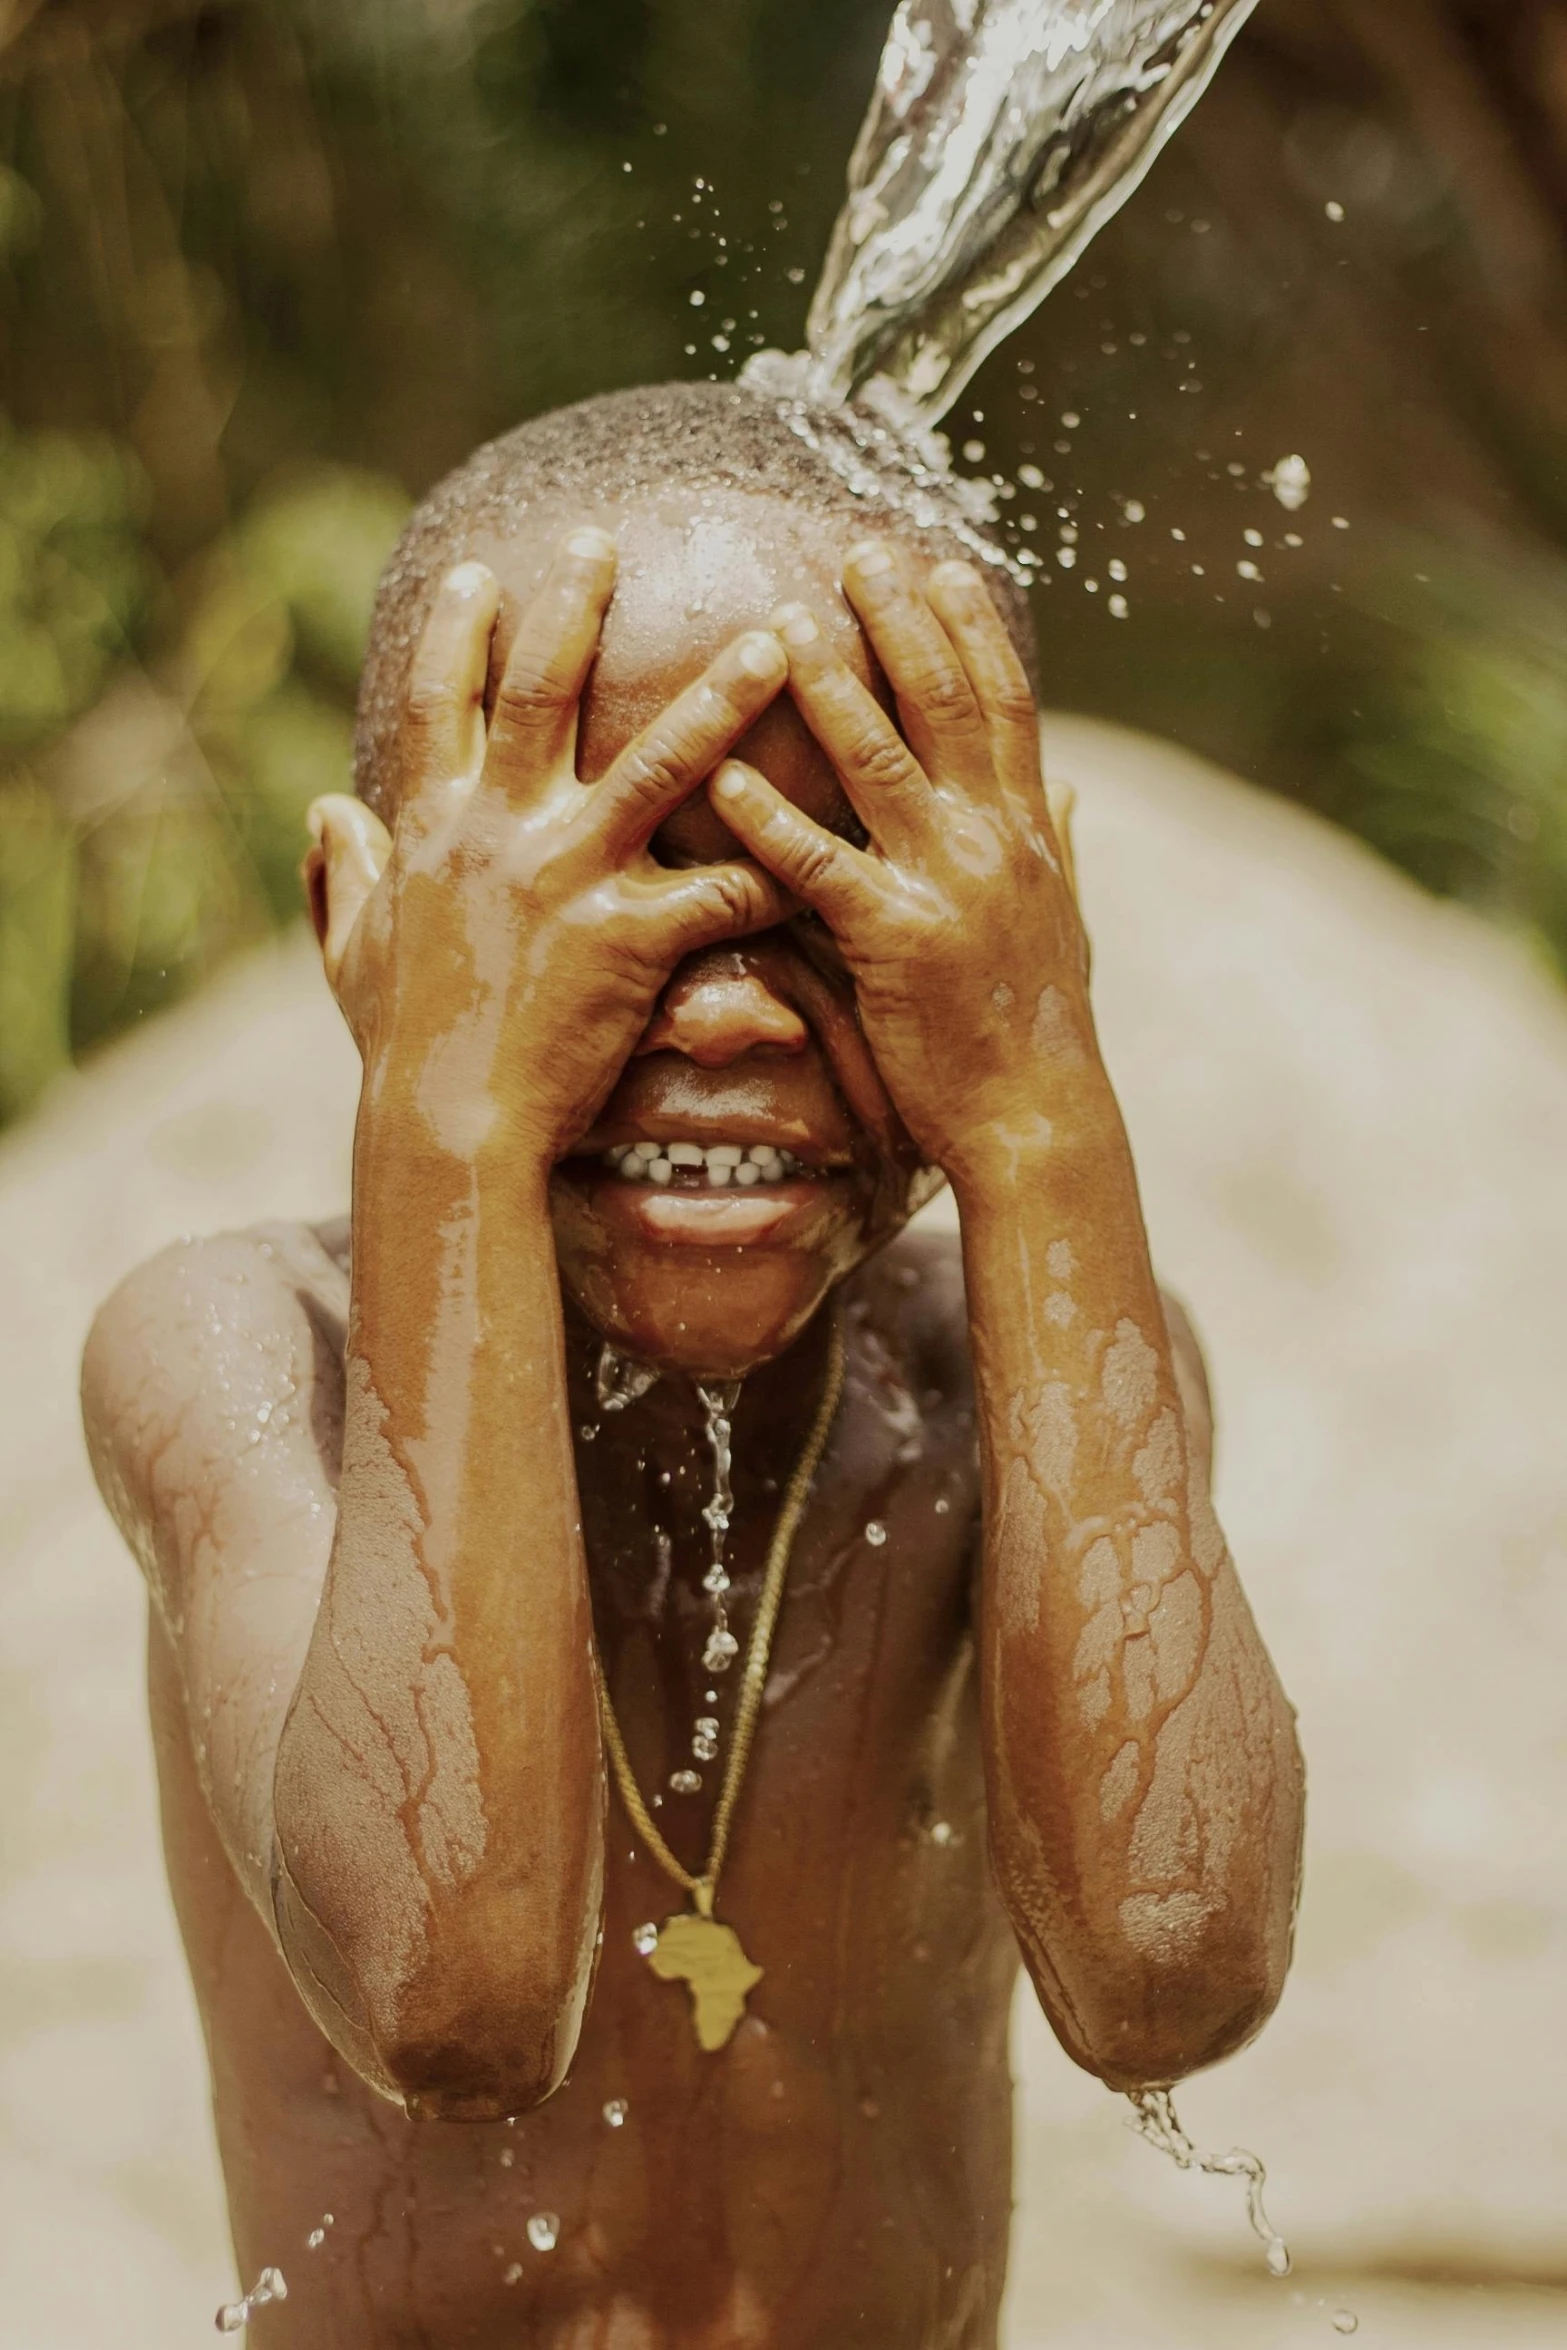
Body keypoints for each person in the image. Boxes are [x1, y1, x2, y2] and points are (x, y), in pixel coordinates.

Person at [83, 381, 1304, 2348]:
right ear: (359, 926)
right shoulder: (242, 1355)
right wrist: (455, 1118)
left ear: (1019, 939)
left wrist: (1046, 1119)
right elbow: (449, 2001)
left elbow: (1175, 1975)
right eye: (598, 904)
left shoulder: (1027, 1382)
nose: (727, 1000)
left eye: (839, 890)